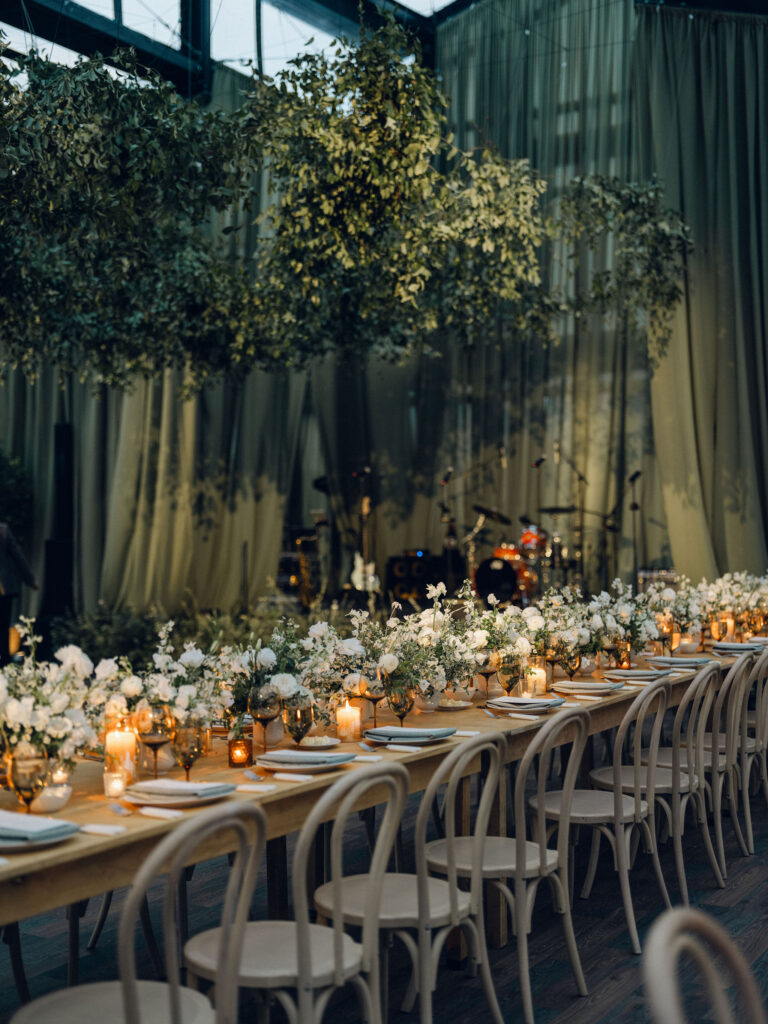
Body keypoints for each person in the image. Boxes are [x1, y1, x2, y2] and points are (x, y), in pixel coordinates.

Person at [0, 522, 37, 665]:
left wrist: (30, 579)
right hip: (3, 588)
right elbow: (17, 556)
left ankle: (4, 661)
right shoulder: (3, 531)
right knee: (3, 627)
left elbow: (17, 556)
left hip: (3, 588)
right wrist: (30, 580)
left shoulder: (3, 531)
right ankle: (4, 662)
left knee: (3, 626)